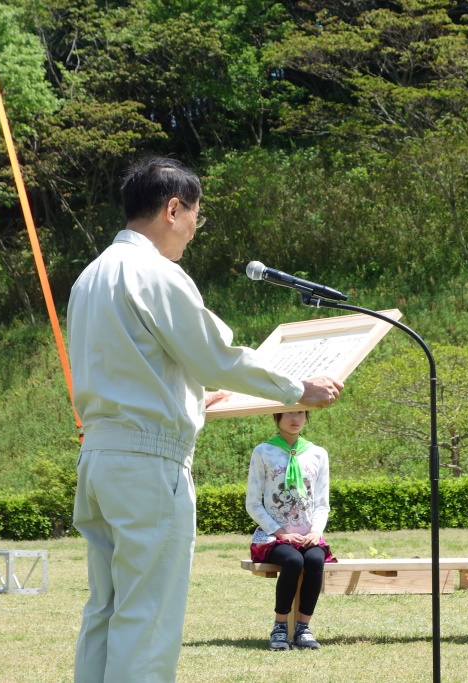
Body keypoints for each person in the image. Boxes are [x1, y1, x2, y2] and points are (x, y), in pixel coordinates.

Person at [67, 157, 343, 682]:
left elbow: (138, 367)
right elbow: (216, 354)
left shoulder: (91, 275)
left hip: (101, 456)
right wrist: (296, 388)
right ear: (173, 208)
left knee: (105, 608)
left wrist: (195, 399)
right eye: (196, 215)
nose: (195, 230)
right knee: (147, 616)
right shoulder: (156, 273)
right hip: (150, 465)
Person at [246, 410, 334, 651]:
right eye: (289, 413)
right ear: (277, 417)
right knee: (293, 561)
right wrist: (280, 532)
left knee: (315, 560)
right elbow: (252, 503)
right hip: (274, 537)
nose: (295, 418)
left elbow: (322, 504)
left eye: (300, 413)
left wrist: (316, 532)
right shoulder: (263, 451)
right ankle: (280, 627)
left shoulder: (318, 453)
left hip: (308, 536)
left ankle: (304, 629)